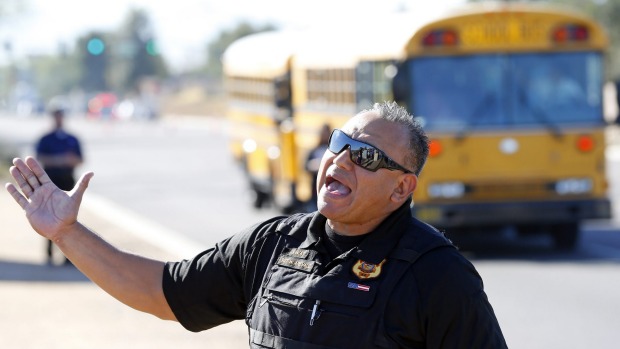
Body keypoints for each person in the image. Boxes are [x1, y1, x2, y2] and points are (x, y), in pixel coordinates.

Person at [5, 101, 507, 348]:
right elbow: (161, 292)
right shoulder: (273, 244)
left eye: (366, 156)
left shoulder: (438, 276)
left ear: (402, 189)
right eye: (338, 143)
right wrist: (66, 233)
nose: (341, 161)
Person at [35, 107, 83, 266]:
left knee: (69, 219)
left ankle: (68, 257)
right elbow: (39, 158)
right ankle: (49, 254)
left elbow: (79, 159)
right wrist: (59, 160)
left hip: (68, 180)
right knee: (48, 217)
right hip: (50, 180)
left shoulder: (72, 138)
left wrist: (67, 161)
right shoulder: (45, 138)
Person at [304, 123, 331, 211]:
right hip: (314, 189)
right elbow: (305, 167)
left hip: (329, 187)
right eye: (323, 133)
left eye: (326, 133)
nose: (324, 135)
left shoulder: (332, 150)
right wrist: (313, 166)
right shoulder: (314, 150)